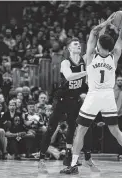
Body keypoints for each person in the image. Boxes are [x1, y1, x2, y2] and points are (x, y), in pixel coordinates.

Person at [62, 14, 122, 175]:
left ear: (98, 44)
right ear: (110, 45)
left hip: (93, 95)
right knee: (115, 129)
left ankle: (73, 164)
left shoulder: (91, 56)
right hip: (108, 96)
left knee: (81, 130)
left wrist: (107, 22)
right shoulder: (114, 56)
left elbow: (93, 32)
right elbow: (121, 39)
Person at [38, 37, 93, 173]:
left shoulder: (84, 60)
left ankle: (69, 154)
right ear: (69, 49)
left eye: (79, 44)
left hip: (74, 99)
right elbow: (69, 77)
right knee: (51, 128)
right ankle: (41, 158)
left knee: (73, 128)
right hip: (61, 99)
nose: (78, 46)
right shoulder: (65, 62)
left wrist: (100, 30)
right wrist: (87, 72)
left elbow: (93, 47)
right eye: (75, 44)